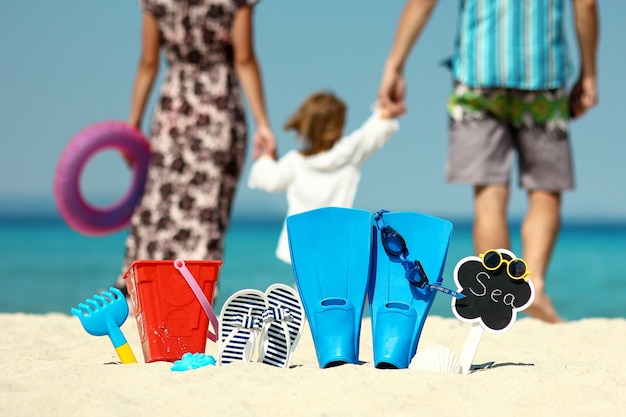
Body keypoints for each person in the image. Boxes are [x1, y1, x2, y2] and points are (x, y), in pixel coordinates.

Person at [378, 0, 599, 323]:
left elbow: (423, 3)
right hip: (543, 77)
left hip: (479, 77)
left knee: (489, 198)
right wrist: (589, 73)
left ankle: (501, 294)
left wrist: (394, 65)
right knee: (545, 192)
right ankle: (533, 282)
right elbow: (587, 5)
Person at [115, 0, 276, 294]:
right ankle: (194, 294)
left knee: (160, 202)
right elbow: (244, 59)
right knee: (208, 208)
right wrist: (263, 123)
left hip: (173, 109)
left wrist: (133, 123)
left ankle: (144, 290)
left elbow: (149, 61)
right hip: (218, 108)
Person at [247, 91, 400, 264]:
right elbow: (372, 133)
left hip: (301, 245)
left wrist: (266, 157)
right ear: (336, 128)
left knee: (303, 289)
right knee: (336, 288)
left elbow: (271, 181)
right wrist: (384, 110)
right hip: (336, 243)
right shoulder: (347, 153)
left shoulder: (294, 162)